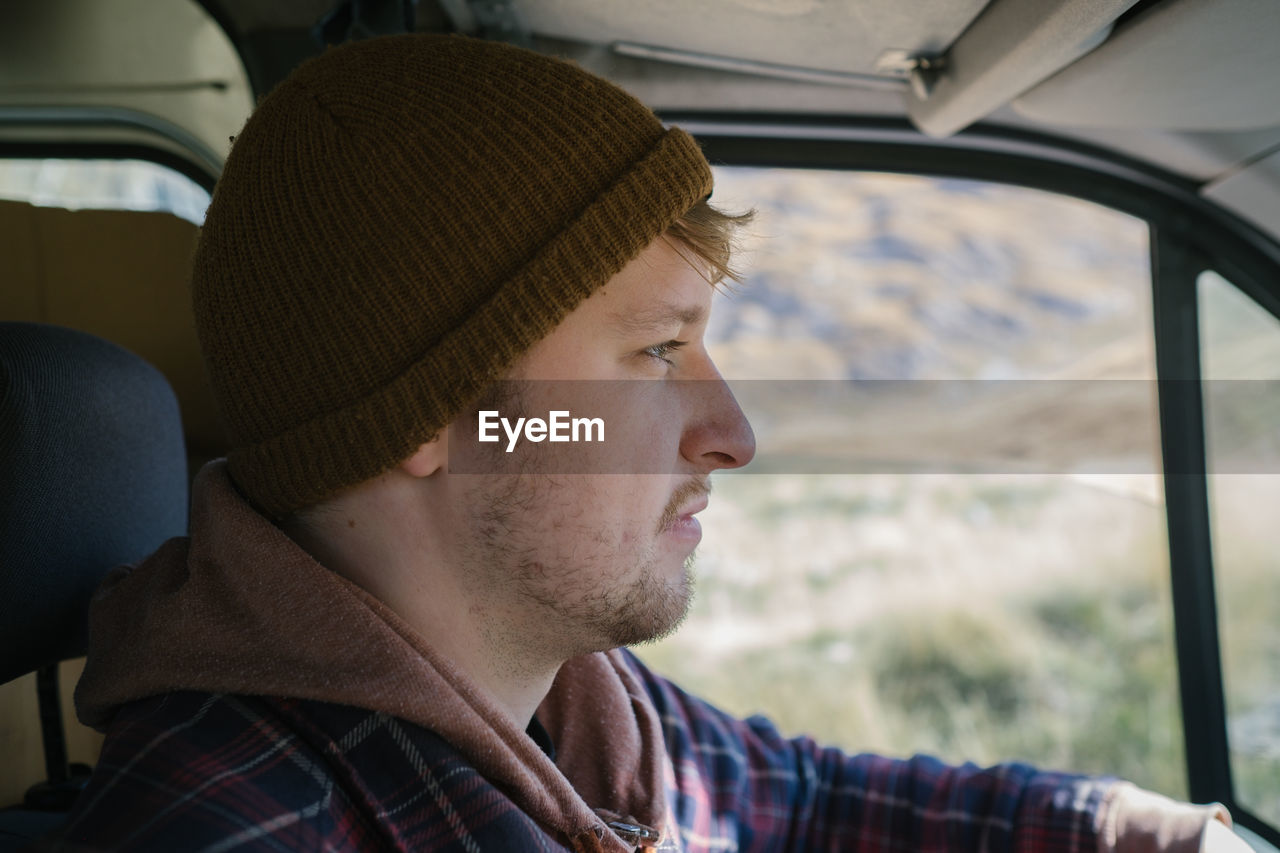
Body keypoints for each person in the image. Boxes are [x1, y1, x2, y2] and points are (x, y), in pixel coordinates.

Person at [55, 33, 1247, 852]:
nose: (730, 435)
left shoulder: (571, 709)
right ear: (436, 418)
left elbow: (810, 801)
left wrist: (1156, 833)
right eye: (659, 354)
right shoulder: (238, 824)